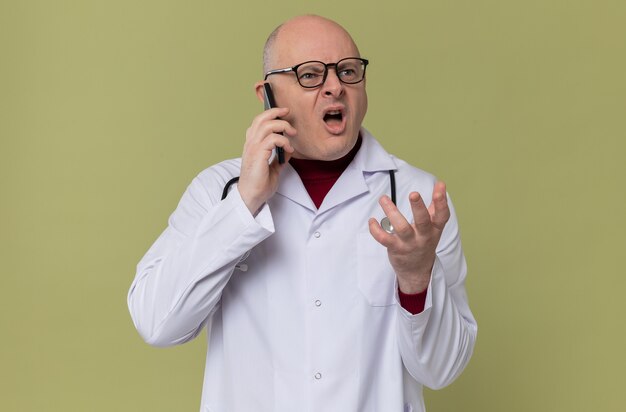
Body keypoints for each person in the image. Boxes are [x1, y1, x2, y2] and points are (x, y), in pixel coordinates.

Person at [128, 15, 477, 412]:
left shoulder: (419, 201)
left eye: (348, 71)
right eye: (310, 75)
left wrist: (416, 280)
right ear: (267, 95)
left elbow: (443, 369)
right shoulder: (219, 190)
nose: (335, 87)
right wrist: (244, 204)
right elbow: (157, 323)